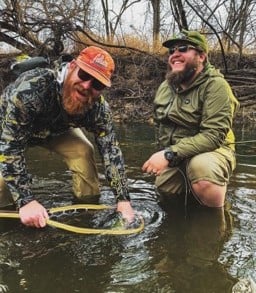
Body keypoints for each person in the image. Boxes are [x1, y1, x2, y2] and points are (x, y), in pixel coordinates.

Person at [0, 46, 135, 228]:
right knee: (2, 182)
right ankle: (9, 224)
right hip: (9, 131)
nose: (87, 86)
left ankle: (87, 212)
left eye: (97, 84)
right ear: (72, 67)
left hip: (54, 131)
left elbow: (111, 151)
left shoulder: (99, 110)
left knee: (83, 151)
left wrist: (123, 199)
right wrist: (26, 200)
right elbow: (10, 147)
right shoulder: (30, 89)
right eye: (84, 75)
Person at [142, 29, 239, 208]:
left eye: (183, 49)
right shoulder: (165, 86)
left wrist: (168, 154)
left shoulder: (217, 86)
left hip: (214, 151)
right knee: (165, 189)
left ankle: (216, 222)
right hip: (178, 154)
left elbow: (213, 136)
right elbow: (160, 125)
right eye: (172, 51)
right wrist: (164, 154)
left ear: (201, 56)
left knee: (201, 169)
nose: (175, 54)